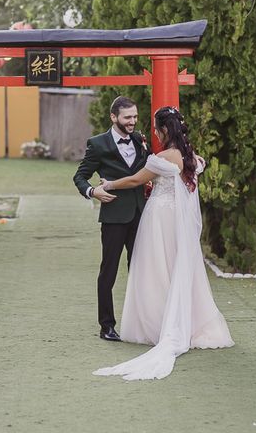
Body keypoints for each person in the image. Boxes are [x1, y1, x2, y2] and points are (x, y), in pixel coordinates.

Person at [93, 106, 234, 381]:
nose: (155, 133)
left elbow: (136, 180)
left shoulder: (161, 158)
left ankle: (159, 326)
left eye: (157, 128)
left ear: (164, 130)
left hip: (159, 219)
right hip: (178, 223)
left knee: (156, 270)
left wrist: (108, 185)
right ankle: (190, 324)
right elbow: (194, 170)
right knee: (178, 269)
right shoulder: (192, 157)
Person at [73, 96, 150, 342]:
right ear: (113, 117)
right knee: (109, 272)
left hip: (141, 215)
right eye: (128, 117)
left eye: (135, 117)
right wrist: (92, 191)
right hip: (114, 217)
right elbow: (80, 176)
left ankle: (143, 323)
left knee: (141, 270)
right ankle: (106, 326)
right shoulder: (98, 144)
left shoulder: (140, 139)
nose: (133, 121)